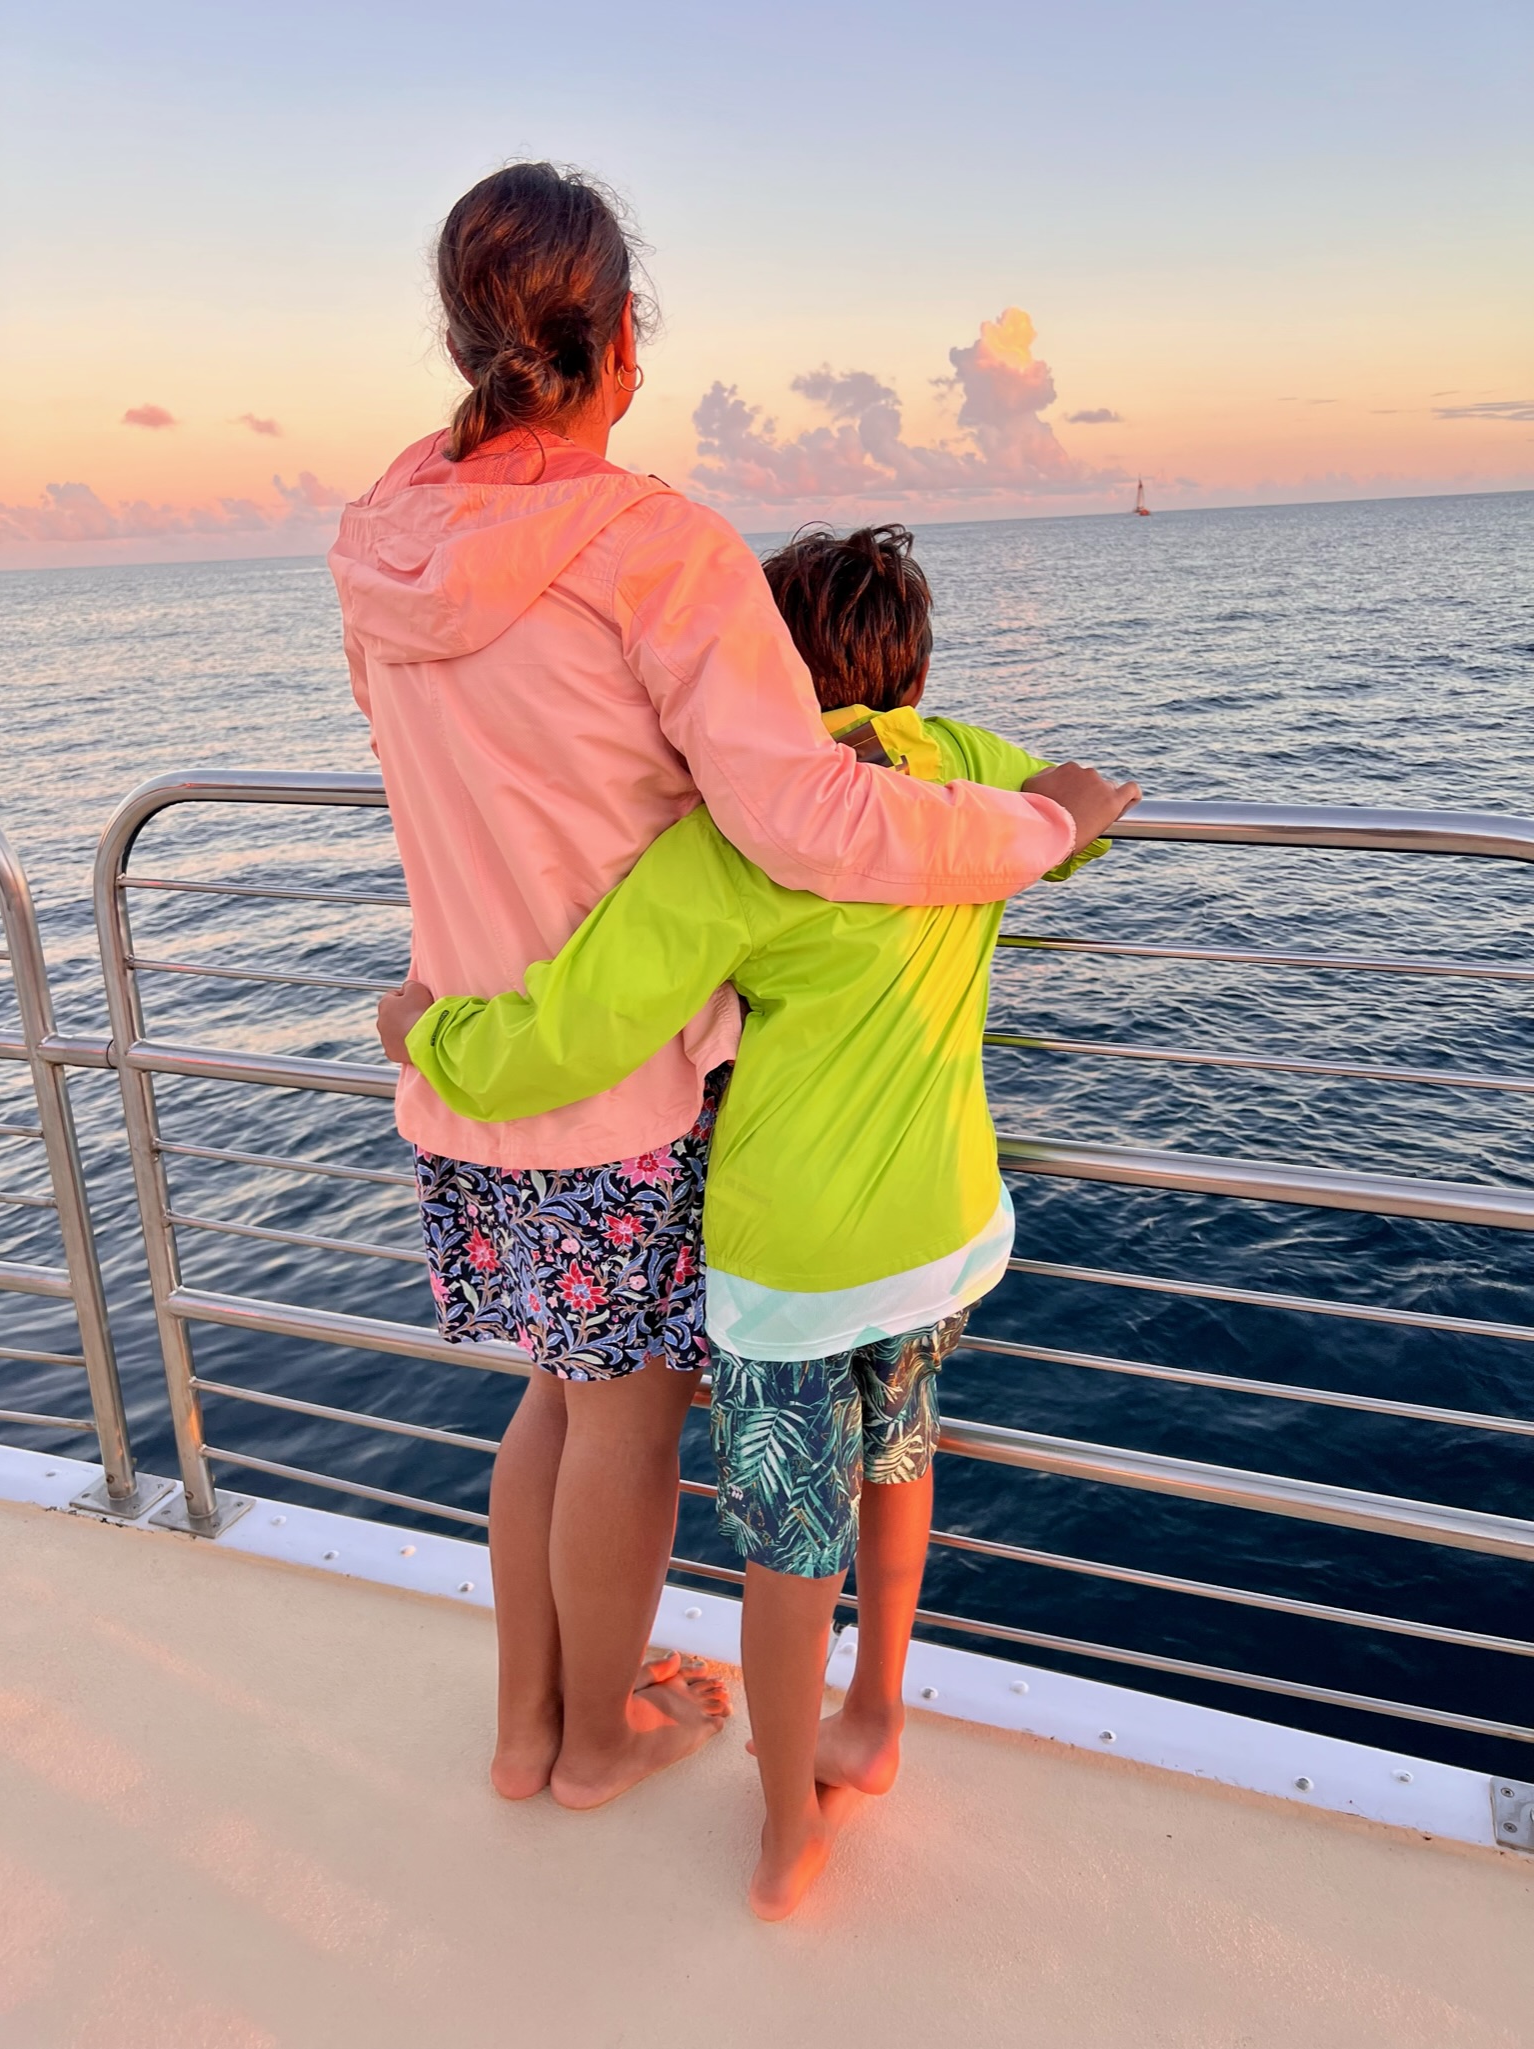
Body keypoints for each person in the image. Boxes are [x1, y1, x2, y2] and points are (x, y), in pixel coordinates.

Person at [338, 161, 1116, 1816]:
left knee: (553, 1395)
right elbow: (803, 813)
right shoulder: (652, 547)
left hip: (468, 1049)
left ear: (469, 337)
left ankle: (526, 1725)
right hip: (615, 1081)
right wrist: (1035, 825)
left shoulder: (381, 539)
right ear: (623, 334)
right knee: (625, 1416)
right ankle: (597, 1740)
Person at [378, 523, 1139, 1916]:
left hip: (797, 1265)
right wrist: (1080, 817)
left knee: (793, 1546)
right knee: (902, 1465)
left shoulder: (743, 835)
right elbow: (1065, 801)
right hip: (946, 1227)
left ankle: (788, 1836)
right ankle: (878, 1720)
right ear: (913, 665)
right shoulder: (959, 768)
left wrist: (431, 1039)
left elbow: (579, 1028)